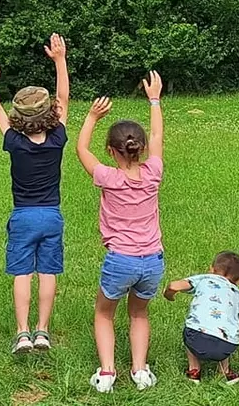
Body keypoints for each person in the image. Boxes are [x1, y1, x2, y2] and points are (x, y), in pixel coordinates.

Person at [0, 34, 71, 353]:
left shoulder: (14, 141)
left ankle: (22, 333)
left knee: (22, 274)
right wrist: (60, 60)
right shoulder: (58, 137)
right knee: (47, 273)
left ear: (18, 116)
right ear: (51, 114)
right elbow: (64, 98)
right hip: (51, 216)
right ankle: (43, 330)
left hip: (22, 217)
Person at [77, 73, 166, 393]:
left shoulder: (106, 176)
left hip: (120, 261)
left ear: (111, 151)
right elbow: (157, 134)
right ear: (140, 149)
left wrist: (91, 116)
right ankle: (140, 371)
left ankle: (107, 373)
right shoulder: (154, 172)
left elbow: (81, 149)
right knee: (139, 314)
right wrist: (154, 99)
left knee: (103, 314)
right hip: (153, 261)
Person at [164, 251, 239, 386]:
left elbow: (173, 286)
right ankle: (225, 371)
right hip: (227, 346)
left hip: (196, 338)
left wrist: (169, 296)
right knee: (228, 328)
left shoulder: (205, 279)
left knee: (193, 324)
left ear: (211, 269)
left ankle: (194, 371)